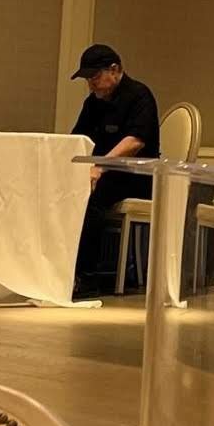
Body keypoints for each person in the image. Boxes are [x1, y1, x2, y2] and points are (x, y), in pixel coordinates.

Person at [70, 43, 160, 297]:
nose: (91, 84)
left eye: (95, 77)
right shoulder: (93, 103)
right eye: (88, 79)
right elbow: (77, 139)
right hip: (102, 173)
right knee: (65, 191)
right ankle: (61, 269)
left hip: (135, 176)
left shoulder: (139, 96)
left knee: (91, 199)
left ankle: (87, 277)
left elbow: (135, 142)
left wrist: (100, 166)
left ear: (114, 69)